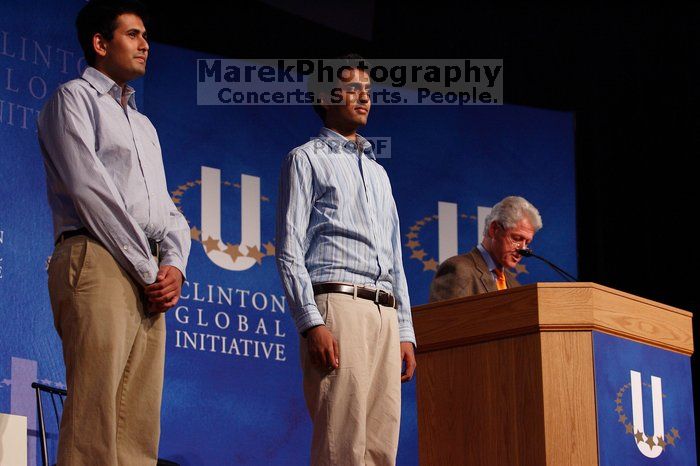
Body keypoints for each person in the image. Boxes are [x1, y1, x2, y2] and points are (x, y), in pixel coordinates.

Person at [37, 1, 190, 464]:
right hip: (98, 258)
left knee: (139, 425)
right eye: (132, 34)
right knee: (94, 416)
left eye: (146, 35)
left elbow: (166, 211)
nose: (145, 44)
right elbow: (91, 192)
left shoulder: (144, 125)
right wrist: (148, 269)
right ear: (100, 44)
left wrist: (174, 265)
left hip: (145, 272)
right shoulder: (73, 99)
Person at [275, 55, 416, 466]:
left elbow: (395, 258)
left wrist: (405, 330)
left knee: (380, 447)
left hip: (384, 312)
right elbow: (288, 248)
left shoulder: (378, 173)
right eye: (352, 88)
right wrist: (311, 321)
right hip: (338, 304)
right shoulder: (306, 158)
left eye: (368, 91)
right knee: (342, 445)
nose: (363, 97)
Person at [429, 196, 542, 301]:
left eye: (527, 242)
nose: (522, 249)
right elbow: (443, 321)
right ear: (494, 229)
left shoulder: (514, 285)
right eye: (517, 238)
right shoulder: (459, 270)